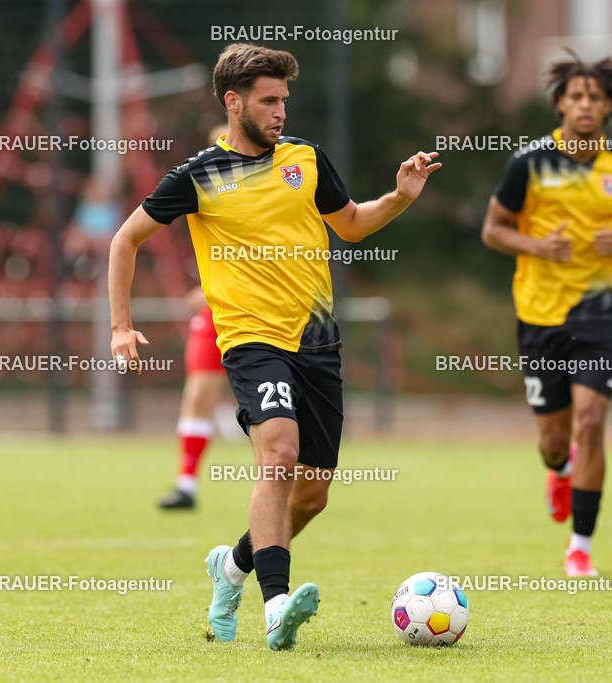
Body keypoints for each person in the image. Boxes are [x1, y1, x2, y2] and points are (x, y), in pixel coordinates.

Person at [109, 43, 440, 650]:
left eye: (284, 99)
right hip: (251, 341)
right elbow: (125, 240)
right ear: (233, 102)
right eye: (268, 100)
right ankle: (276, 607)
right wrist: (120, 326)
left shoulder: (306, 160)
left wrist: (399, 197)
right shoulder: (199, 175)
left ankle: (231, 568)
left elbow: (351, 224)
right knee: (279, 456)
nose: (280, 111)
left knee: (311, 496)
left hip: (318, 342)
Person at [481, 54, 612, 577]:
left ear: (609, 106)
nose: (585, 105)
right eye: (576, 96)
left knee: (592, 422)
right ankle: (559, 470)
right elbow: (494, 229)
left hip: (602, 315)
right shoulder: (529, 163)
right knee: (554, 442)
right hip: (540, 315)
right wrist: (536, 245)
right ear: (560, 102)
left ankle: (580, 545)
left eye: (595, 97)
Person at [157, 286, 231, 509]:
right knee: (197, 398)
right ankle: (186, 486)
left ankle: (287, 482)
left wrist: (219, 289)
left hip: (258, 309)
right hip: (214, 314)